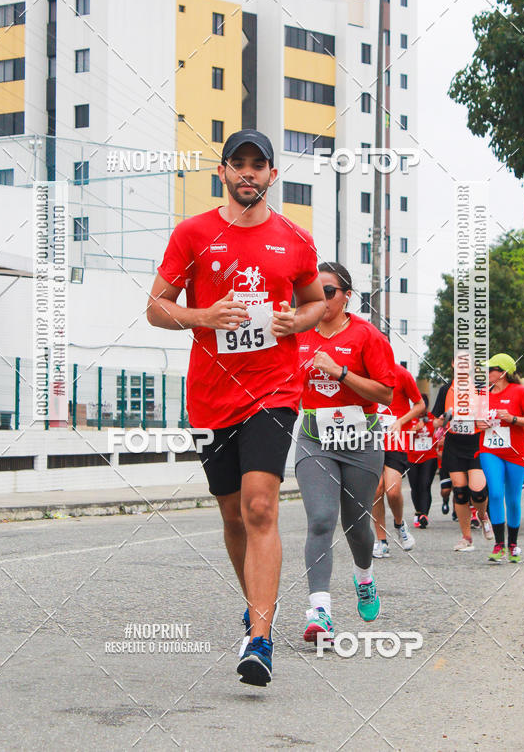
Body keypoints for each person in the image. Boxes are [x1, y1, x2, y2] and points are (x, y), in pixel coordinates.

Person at [146, 129, 325, 685]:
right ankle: (255, 604)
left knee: (260, 507)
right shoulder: (193, 234)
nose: (248, 172)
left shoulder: (296, 239)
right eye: (238, 163)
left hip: (274, 390)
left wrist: (298, 320)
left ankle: (260, 640)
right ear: (222, 172)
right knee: (232, 515)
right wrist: (203, 316)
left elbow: (316, 302)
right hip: (211, 398)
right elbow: (155, 308)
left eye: (258, 164)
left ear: (273, 174)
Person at [294, 263, 395, 642]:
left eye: (329, 291)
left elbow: (386, 394)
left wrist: (341, 373)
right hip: (315, 439)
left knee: (356, 525)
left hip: (360, 441)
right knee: (321, 519)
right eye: (313, 291)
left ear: (347, 296)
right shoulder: (298, 333)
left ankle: (364, 576)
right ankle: (320, 612)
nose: (321, 298)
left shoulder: (367, 336)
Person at [476, 353, 524, 563]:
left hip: (515, 452)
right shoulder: (483, 393)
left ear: (502, 373)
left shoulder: (519, 392)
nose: (486, 373)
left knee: (512, 499)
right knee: (495, 493)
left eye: (490, 369)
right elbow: (476, 420)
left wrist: (513, 419)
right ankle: (498, 545)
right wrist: (479, 423)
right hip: (490, 450)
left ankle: (512, 544)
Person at [432, 359, 493, 551]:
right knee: (459, 492)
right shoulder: (446, 390)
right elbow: (435, 422)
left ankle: (483, 516)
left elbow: (490, 417)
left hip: (476, 443)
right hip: (454, 444)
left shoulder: (480, 389)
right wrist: (441, 421)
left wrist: (485, 422)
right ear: (452, 364)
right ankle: (466, 537)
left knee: (478, 491)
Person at [372, 363, 424, 557]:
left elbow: (420, 404)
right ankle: (381, 541)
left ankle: (399, 524)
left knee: (392, 491)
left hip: (396, 440)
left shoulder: (401, 374)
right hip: (371, 439)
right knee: (376, 490)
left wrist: (401, 421)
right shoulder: (364, 372)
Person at [407, 394, 439, 528]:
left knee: (425, 484)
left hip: (429, 456)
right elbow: (401, 435)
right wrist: (413, 431)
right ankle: (418, 511)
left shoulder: (432, 418)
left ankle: (424, 515)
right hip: (411, 457)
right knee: (415, 486)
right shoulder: (408, 418)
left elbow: (441, 428)